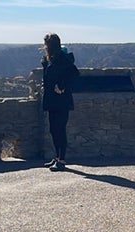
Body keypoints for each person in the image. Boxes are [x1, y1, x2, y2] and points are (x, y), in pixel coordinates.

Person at [41, 33, 80, 171]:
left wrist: (62, 87)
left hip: (61, 100)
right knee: (53, 130)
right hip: (52, 99)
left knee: (60, 129)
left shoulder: (63, 58)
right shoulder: (50, 59)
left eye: (46, 44)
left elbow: (74, 74)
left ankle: (62, 160)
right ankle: (56, 157)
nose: (44, 46)